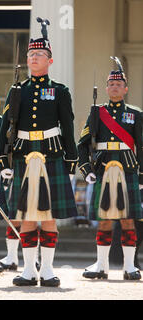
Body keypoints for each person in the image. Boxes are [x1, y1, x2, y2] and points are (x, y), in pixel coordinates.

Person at [0, 18, 78, 287]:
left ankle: (49, 270)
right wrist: (1, 156)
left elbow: (67, 126)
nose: (33, 58)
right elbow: (6, 125)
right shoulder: (17, 90)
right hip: (22, 154)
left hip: (51, 154)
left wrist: (71, 158)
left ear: (50, 60)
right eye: (31, 54)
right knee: (26, 214)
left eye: (39, 54)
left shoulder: (60, 91)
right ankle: (29, 269)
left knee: (49, 214)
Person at [78, 57, 142, 281]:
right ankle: (101, 265)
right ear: (106, 88)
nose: (114, 87)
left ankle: (130, 267)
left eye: (118, 84)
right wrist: (87, 169)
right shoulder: (96, 113)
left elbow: (141, 146)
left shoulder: (135, 114)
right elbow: (83, 144)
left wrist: (141, 174)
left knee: (128, 219)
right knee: (104, 219)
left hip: (127, 170)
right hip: (104, 170)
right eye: (111, 84)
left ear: (125, 89)